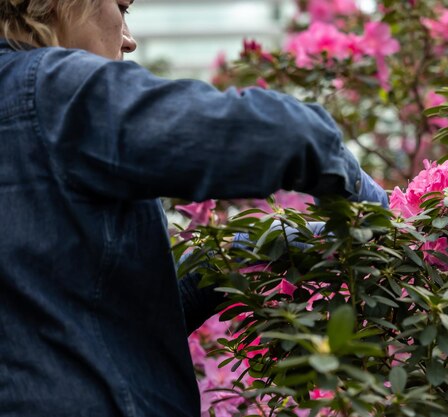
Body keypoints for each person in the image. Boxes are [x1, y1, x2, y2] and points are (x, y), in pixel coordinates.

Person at [0, 0, 388, 416]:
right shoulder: (50, 91)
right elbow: (285, 137)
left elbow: (92, 313)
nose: (129, 41)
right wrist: (367, 202)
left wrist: (254, 248)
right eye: (122, 7)